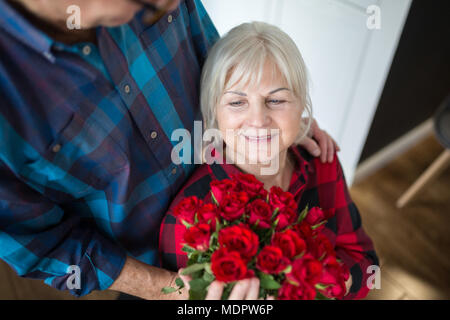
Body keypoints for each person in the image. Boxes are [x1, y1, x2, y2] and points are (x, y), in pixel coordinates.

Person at [0, 0, 339, 300]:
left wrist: (280, 120)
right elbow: (38, 243)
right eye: (149, 7)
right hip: (156, 275)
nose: (171, 4)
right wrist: (161, 290)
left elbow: (224, 72)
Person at [159, 21, 379, 300]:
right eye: (237, 102)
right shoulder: (189, 219)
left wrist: (333, 282)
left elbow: (364, 258)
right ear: (214, 114)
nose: (258, 120)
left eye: (276, 100)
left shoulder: (322, 163)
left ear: (302, 106)